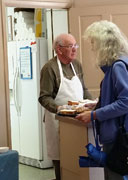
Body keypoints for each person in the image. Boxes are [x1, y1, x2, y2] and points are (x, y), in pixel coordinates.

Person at [75, 20, 128, 180]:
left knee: (116, 175)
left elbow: (127, 102)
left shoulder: (118, 66)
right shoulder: (124, 61)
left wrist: (94, 115)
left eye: (94, 42)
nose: (92, 47)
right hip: (124, 130)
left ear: (104, 43)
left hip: (119, 133)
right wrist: (96, 105)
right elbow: (120, 97)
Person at [38, 33, 92, 180]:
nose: (75, 49)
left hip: (78, 118)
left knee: (76, 154)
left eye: (75, 45)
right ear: (59, 49)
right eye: (70, 46)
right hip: (57, 120)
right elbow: (44, 97)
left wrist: (94, 104)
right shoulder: (50, 68)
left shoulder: (77, 65)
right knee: (61, 158)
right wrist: (59, 109)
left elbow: (84, 89)